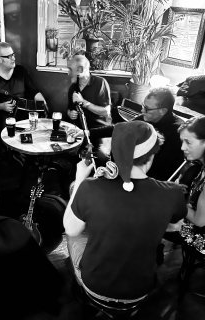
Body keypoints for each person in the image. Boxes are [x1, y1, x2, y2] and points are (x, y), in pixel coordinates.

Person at [64, 121, 186, 310]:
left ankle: (80, 282)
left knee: (75, 235)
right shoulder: (174, 192)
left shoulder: (90, 187)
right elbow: (175, 227)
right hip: (140, 289)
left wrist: (80, 179)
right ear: (152, 154)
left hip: (97, 286)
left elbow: (71, 230)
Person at [88, 87, 185, 181]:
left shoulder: (177, 133)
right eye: (143, 106)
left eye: (147, 108)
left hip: (149, 180)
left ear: (162, 111)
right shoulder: (146, 117)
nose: (142, 111)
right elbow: (121, 128)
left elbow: (162, 170)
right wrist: (88, 133)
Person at [0, 41, 47, 138]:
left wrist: (43, 103)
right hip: (2, 122)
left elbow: (34, 91)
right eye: (9, 56)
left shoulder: (21, 71)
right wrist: (0, 106)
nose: (13, 58)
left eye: (13, 54)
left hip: (24, 118)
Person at [178, 117, 205, 253]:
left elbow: (199, 221)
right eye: (182, 141)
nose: (182, 147)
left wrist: (174, 201)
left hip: (202, 239)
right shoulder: (200, 166)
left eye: (188, 142)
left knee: (155, 223)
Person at [66, 54, 111, 130]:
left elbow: (106, 112)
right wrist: (70, 113)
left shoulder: (100, 83)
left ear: (80, 69)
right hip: (78, 129)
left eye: (70, 69)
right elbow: (69, 108)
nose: (68, 73)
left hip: (97, 129)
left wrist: (83, 102)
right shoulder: (73, 87)